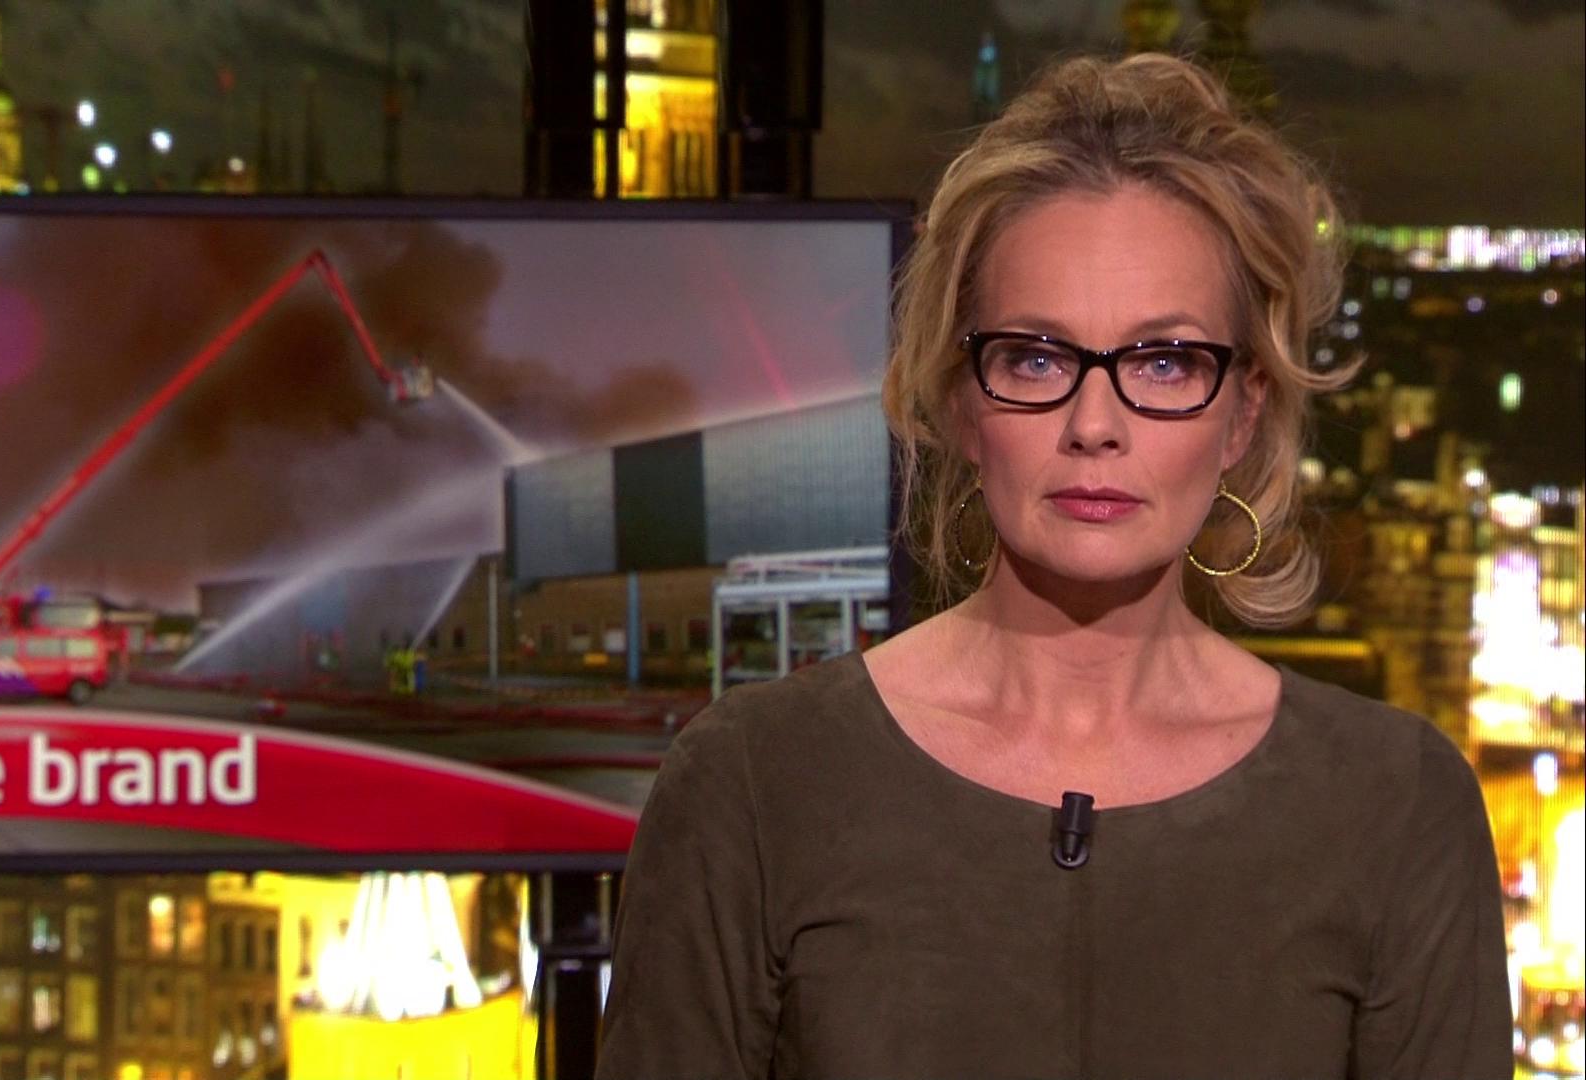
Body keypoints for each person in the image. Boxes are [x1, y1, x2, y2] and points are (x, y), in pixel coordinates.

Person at [596, 53, 1511, 1079]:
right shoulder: (755, 783)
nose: (1094, 424)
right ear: (961, 398)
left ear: (1243, 413)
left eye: (1164, 362)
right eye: (1036, 358)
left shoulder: (1393, 803)